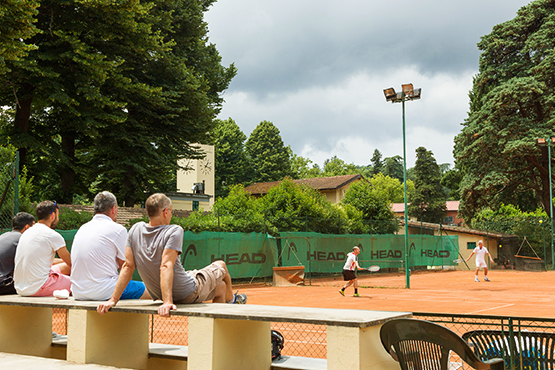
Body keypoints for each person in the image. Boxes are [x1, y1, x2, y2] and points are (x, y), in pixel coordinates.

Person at [97, 193, 246, 317]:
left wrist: (113, 300)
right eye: (171, 211)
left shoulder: (135, 229)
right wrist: (168, 301)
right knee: (221, 265)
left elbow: (128, 266)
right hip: (187, 292)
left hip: (159, 293)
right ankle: (233, 300)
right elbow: (166, 265)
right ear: (165, 212)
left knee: (220, 287)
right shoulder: (174, 230)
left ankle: (226, 302)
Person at [71, 191, 151, 301]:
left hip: (78, 292)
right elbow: (126, 267)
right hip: (104, 292)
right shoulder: (118, 229)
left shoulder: (82, 228)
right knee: (153, 290)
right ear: (113, 209)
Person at [14, 200, 72, 296]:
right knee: (80, 284)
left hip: (19, 287)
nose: (58, 219)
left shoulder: (26, 232)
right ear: (53, 216)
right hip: (37, 287)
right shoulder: (52, 235)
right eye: (58, 216)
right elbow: (71, 263)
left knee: (66, 268)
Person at [0, 212, 36, 295]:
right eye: (33, 226)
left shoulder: (4, 236)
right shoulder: (22, 239)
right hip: (2, 283)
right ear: (27, 227)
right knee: (35, 284)